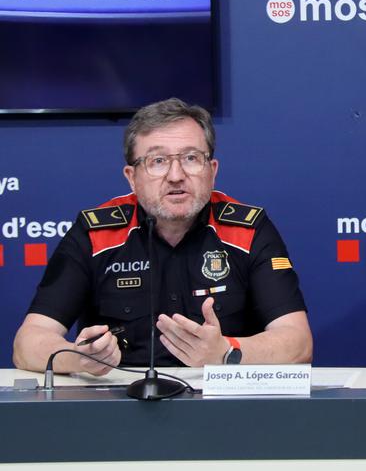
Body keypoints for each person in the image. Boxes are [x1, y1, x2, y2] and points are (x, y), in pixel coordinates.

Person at [13, 98, 312, 375]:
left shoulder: (248, 230)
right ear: (132, 177)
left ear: (212, 170)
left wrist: (226, 352)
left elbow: (298, 342)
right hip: (120, 409)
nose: (176, 175)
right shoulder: (95, 234)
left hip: (225, 408)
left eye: (191, 158)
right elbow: (28, 343)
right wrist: (81, 358)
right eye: (157, 161)